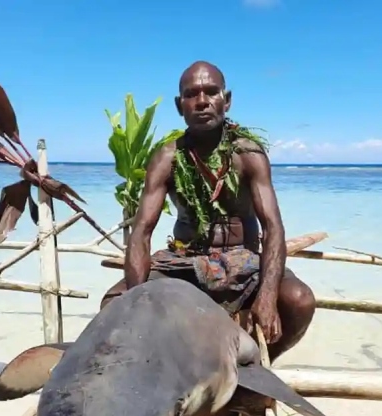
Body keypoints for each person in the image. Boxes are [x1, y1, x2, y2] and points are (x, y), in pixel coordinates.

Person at [100, 60, 316, 362]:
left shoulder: (248, 154)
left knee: (299, 300)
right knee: (114, 303)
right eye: (192, 94)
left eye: (211, 92)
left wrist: (267, 296)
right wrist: (138, 300)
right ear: (180, 105)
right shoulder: (167, 157)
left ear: (226, 101)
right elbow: (141, 232)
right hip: (184, 262)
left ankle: (258, 371)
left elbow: (273, 227)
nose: (202, 102)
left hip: (245, 263)